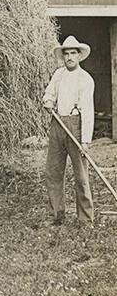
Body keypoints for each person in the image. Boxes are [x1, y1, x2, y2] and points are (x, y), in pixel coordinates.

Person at [43, 35, 94, 226]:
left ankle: (85, 218)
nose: (70, 57)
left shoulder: (85, 79)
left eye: (73, 53)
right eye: (67, 53)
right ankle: (56, 214)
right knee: (53, 171)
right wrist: (48, 100)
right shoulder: (59, 74)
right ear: (63, 56)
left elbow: (88, 112)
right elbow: (49, 93)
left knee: (80, 175)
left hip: (76, 125)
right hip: (57, 124)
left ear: (79, 56)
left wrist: (86, 141)